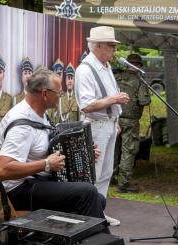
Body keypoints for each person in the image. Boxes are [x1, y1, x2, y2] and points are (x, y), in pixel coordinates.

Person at [0, 69, 106, 222]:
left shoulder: (40, 114)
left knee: (98, 199)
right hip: (20, 190)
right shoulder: (21, 125)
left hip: (38, 181)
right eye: (58, 92)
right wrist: (46, 164)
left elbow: (47, 150)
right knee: (88, 194)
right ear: (45, 94)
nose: (61, 95)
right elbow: (2, 170)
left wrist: (85, 153)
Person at [74, 26, 130, 226]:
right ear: (97, 46)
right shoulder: (85, 69)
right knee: (93, 173)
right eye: (110, 46)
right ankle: (88, 216)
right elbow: (87, 105)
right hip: (95, 126)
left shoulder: (105, 67)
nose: (114, 50)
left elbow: (107, 100)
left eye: (114, 46)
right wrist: (114, 99)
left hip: (108, 124)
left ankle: (98, 212)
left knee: (106, 172)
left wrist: (115, 120)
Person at [113, 54, 150, 193]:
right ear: (138, 65)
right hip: (130, 121)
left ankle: (111, 177)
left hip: (115, 118)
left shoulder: (116, 77)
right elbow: (144, 101)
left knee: (114, 149)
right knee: (128, 150)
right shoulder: (139, 81)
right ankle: (124, 183)